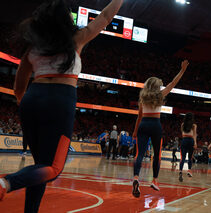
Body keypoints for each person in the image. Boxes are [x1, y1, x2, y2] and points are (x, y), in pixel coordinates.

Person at [0, 0, 124, 211]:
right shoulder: (75, 39)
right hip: (59, 99)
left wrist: (27, 106)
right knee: (53, 168)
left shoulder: (33, 48)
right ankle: (5, 183)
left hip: (31, 99)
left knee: (41, 166)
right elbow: (104, 17)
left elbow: (18, 86)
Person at [132, 60, 189, 198]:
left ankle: (135, 178)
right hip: (155, 125)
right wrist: (182, 70)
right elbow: (173, 83)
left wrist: (134, 131)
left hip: (143, 124)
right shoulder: (160, 95)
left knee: (139, 154)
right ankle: (155, 180)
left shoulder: (142, 98)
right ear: (157, 86)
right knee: (156, 154)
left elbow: (139, 117)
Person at [178, 113, 197, 182]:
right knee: (190, 157)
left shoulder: (183, 124)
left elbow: (182, 133)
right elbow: (194, 135)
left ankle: (180, 171)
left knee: (182, 157)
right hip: (191, 140)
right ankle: (189, 170)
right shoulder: (194, 125)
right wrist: (195, 143)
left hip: (184, 140)